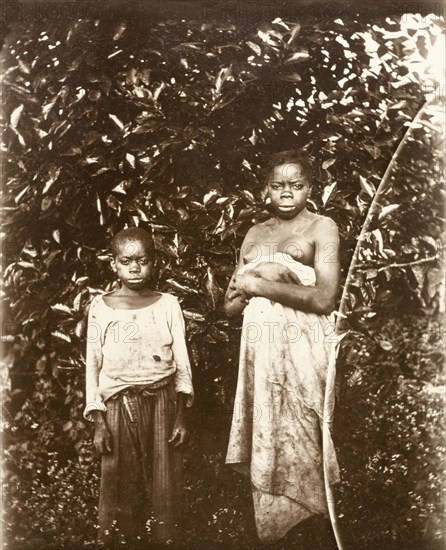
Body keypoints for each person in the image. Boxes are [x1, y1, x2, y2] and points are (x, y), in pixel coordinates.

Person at [224, 150, 341, 543]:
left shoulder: (322, 228)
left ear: (310, 187)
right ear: (265, 189)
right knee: (268, 433)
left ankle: (315, 530)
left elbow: (325, 298)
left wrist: (264, 283)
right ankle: (276, 532)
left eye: (296, 185)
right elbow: (229, 304)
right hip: (260, 351)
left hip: (305, 346)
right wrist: (248, 288)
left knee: (305, 433)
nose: (286, 193)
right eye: (277, 186)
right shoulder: (255, 234)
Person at [84, 227, 194, 545]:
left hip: (162, 400)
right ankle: (118, 542)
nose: (135, 268)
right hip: (117, 405)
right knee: (119, 483)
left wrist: (181, 415)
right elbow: (93, 366)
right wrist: (98, 421)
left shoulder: (168, 304)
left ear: (154, 263)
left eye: (143, 260)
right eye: (126, 261)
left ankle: (164, 541)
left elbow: (182, 363)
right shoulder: (100, 307)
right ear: (113, 265)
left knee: (165, 484)